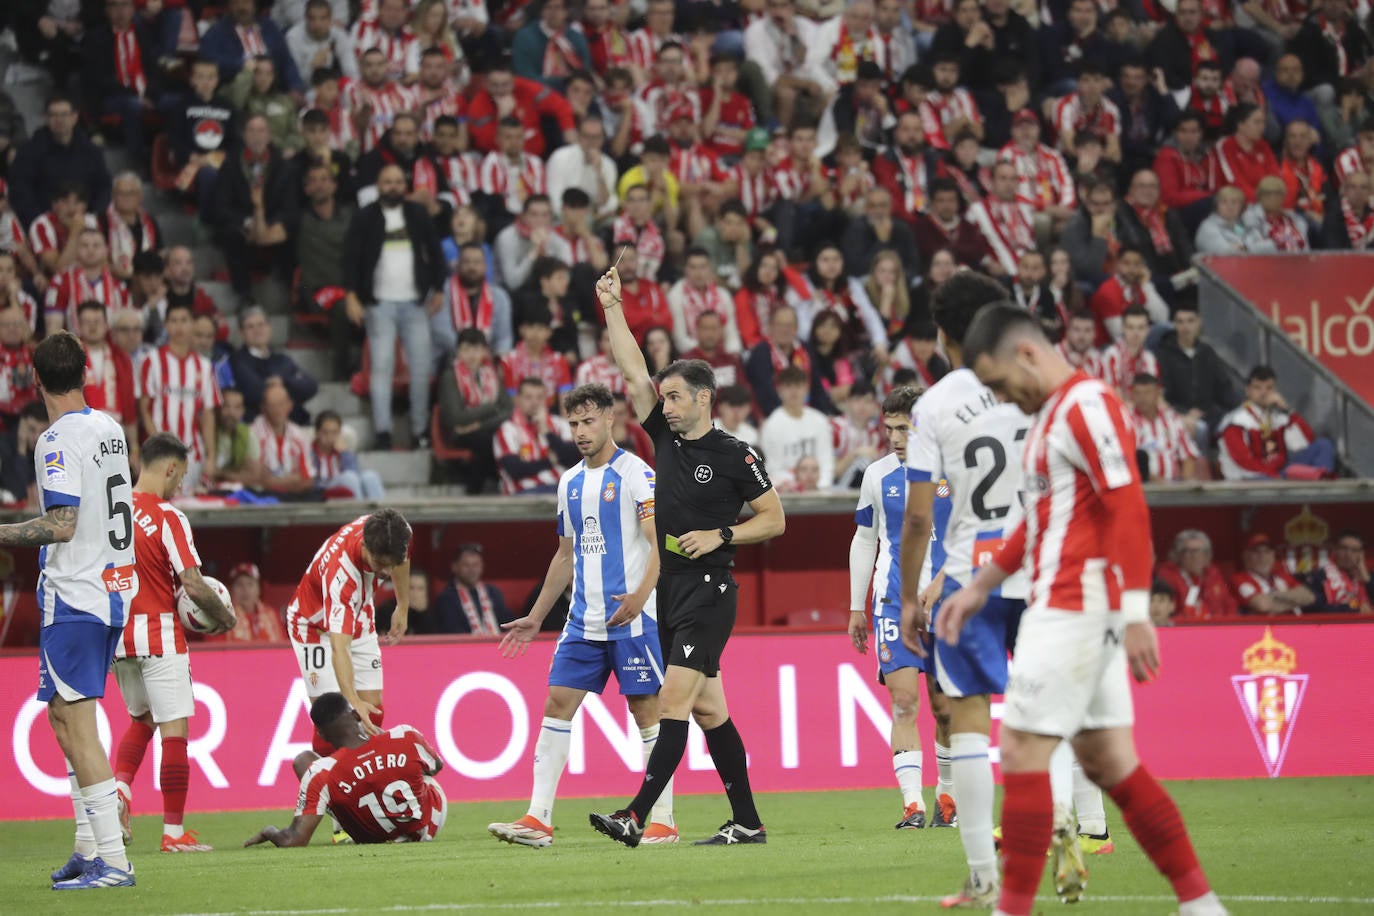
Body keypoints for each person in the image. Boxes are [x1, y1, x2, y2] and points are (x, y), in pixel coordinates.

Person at [939, 303, 1227, 916]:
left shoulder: (1086, 405)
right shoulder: (1047, 417)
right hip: (1071, 603)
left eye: (995, 383)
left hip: (1074, 605)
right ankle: (1201, 905)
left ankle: (1009, 909)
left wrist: (1135, 612)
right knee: (1110, 762)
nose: (999, 398)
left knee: (1018, 749)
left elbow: (1128, 506)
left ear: (1026, 354)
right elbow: (1036, 524)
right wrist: (979, 586)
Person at [589, 266, 786, 847]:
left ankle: (635, 814)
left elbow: (775, 519)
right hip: (672, 587)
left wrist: (723, 535)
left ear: (704, 398)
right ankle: (747, 821)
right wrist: (612, 307)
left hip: (710, 590)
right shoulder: (668, 440)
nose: (665, 406)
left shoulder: (734, 455)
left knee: (672, 699)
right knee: (708, 712)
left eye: (675, 397)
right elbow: (631, 370)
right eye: (664, 397)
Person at [896, 273, 1039, 907]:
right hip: (1039, 569)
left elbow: (920, 516)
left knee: (971, 724)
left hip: (967, 579)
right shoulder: (1033, 383)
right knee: (1049, 717)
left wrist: (907, 595)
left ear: (943, 332)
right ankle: (1071, 834)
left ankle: (983, 877)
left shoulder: (934, 403)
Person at [489, 383, 676, 847]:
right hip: (583, 622)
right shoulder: (569, 481)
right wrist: (536, 615)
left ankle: (663, 822)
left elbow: (660, 543)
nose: (580, 432)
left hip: (633, 620)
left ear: (610, 419)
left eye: (588, 421)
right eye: (573, 424)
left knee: (646, 711)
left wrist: (639, 596)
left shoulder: (637, 474)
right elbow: (564, 557)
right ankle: (538, 819)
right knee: (557, 703)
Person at [19, 332, 136, 889]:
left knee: (78, 723)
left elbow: (61, 524)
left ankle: (113, 862)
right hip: (110, 588)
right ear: (87, 371)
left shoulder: (56, 440)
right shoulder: (109, 427)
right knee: (64, 718)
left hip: (77, 593)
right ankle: (89, 848)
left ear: (34, 379)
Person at [110, 433, 235, 854]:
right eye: (179, 475)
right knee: (175, 733)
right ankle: (173, 832)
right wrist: (226, 618)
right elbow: (195, 586)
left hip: (118, 637)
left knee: (141, 719)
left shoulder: (109, 510)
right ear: (168, 468)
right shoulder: (168, 517)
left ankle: (120, 792)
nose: (180, 484)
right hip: (160, 633)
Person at [849, 386, 956, 830]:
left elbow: (972, 533)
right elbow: (865, 539)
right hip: (893, 602)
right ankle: (912, 804)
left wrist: (940, 582)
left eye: (903, 428)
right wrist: (858, 605)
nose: (895, 436)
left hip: (949, 601)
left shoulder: (955, 467)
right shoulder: (877, 474)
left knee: (947, 707)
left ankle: (946, 796)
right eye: (889, 427)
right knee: (905, 702)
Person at [284, 508, 413, 801]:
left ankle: (359, 794)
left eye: (389, 565)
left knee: (374, 711)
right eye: (379, 563)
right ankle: (334, 802)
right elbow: (339, 647)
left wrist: (402, 606)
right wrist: (352, 701)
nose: (385, 572)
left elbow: (402, 561)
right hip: (314, 628)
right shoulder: (341, 576)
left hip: (359, 615)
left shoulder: (397, 532)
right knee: (336, 717)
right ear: (365, 547)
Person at [243, 692, 446, 846]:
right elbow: (436, 766)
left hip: (374, 838)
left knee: (307, 765)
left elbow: (294, 840)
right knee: (420, 772)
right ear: (357, 715)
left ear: (321, 736)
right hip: (429, 825)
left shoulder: (321, 772)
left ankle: (343, 829)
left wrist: (269, 831)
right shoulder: (405, 735)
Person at [342, 163, 447, 451]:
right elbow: (350, 258)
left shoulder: (417, 214)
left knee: (421, 369)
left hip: (415, 303)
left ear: (405, 186)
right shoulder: (365, 217)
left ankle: (420, 431)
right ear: (378, 185)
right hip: (379, 304)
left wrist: (438, 288)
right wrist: (351, 294)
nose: (392, 186)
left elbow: (436, 254)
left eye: (398, 182)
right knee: (381, 368)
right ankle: (383, 431)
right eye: (387, 181)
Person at [140, 302, 220, 495]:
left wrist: (211, 456)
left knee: (189, 514)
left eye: (184, 320)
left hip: (193, 454)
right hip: (161, 456)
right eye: (173, 321)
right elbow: (144, 409)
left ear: (192, 324)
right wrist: (158, 447)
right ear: (166, 325)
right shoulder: (152, 361)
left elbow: (207, 414)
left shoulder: (204, 366)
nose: (179, 326)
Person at [214, 115, 298, 300]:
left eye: (261, 131)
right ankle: (244, 294)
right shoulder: (231, 164)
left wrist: (274, 224)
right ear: (244, 136)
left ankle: (291, 292)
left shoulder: (284, 166)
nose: (256, 136)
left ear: (269, 136)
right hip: (242, 223)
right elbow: (220, 206)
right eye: (251, 131)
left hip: (272, 223)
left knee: (294, 232)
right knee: (230, 234)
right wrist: (247, 221)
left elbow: (290, 205)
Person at [8, 96, 112, 228]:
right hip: (44, 227)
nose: (59, 120)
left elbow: (103, 186)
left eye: (64, 114)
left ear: (74, 117)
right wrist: (41, 224)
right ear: (46, 118)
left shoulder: (91, 151)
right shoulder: (29, 152)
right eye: (53, 115)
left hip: (85, 224)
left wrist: (92, 219)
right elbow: (20, 192)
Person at [1218, 366, 1335, 479]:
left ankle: (1323, 487)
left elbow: (1306, 441)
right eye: (1257, 388)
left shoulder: (1279, 417)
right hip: (1249, 478)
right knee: (1265, 479)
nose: (1264, 393)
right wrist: (1274, 476)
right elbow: (1243, 461)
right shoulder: (1236, 420)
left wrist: (1287, 410)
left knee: (1322, 445)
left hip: (1278, 473)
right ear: (1248, 391)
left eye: (1269, 388)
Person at [1153, 301, 1240, 443]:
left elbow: (1224, 389)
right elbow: (1162, 394)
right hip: (1177, 415)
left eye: (1190, 321)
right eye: (1180, 322)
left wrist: (1245, 408)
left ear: (1198, 323)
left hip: (1209, 413)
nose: (1185, 327)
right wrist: (1184, 412)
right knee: (1199, 429)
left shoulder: (1207, 352)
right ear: (1174, 324)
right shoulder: (1162, 354)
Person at [228, 307, 318, 425]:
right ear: (241, 333)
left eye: (261, 325)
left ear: (269, 328)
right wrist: (290, 386)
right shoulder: (237, 360)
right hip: (258, 425)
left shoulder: (282, 359)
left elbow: (310, 386)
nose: (257, 330)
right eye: (250, 326)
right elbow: (257, 393)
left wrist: (283, 381)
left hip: (295, 423)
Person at [494, 377, 580, 495]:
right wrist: (551, 460)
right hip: (524, 492)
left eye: (539, 397)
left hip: (561, 490)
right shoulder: (507, 429)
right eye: (528, 397)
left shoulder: (560, 424)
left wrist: (547, 432)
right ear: (518, 400)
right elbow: (515, 470)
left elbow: (573, 459)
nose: (535, 402)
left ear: (546, 399)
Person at [761, 367, 836, 490]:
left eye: (798, 386)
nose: (794, 391)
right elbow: (772, 469)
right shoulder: (771, 426)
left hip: (820, 490)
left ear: (806, 388)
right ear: (779, 390)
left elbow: (826, 462)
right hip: (787, 492)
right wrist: (797, 486)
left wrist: (821, 486)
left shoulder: (820, 421)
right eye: (789, 386)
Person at [1154, 529, 1239, 620]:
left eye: (1199, 551)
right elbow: (1166, 613)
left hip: (1218, 627)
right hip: (1184, 628)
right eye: (1188, 551)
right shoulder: (1167, 576)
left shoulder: (1214, 574)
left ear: (1207, 555)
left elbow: (1229, 604)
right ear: (1178, 555)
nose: (1194, 556)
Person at [1130, 374, 1201, 483]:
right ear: (1132, 396)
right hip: (1141, 486)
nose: (1142, 398)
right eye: (1137, 393)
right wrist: (1153, 479)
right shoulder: (1126, 422)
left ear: (1157, 393)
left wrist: (1184, 485)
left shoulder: (1172, 419)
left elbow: (1188, 456)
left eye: (1147, 392)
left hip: (1173, 487)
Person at [433, 543, 515, 634]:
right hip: (467, 646)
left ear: (482, 566)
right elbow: (453, 632)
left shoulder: (493, 592)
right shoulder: (446, 598)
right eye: (466, 565)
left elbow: (509, 622)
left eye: (476, 565)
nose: (472, 570)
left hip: (498, 644)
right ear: (454, 567)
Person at [250, 383, 315, 496]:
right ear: (263, 408)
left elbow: (307, 480)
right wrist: (291, 480)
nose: (277, 410)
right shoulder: (253, 434)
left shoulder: (299, 435)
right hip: (262, 497)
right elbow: (256, 480)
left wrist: (274, 482)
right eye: (272, 405)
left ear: (290, 405)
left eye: (281, 404)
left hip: (295, 496)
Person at [1232, 533, 1315, 616]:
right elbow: (1262, 605)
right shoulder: (1240, 578)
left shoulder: (1281, 575)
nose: (1262, 556)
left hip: (1297, 625)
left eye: (1267, 551)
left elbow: (1309, 597)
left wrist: (1272, 596)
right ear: (1246, 555)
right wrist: (1295, 601)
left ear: (1273, 555)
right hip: (1267, 627)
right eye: (1256, 551)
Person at [311, 410, 385, 500]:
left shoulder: (342, 451)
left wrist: (344, 453)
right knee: (348, 477)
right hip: (323, 488)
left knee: (370, 476)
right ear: (317, 433)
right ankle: (359, 511)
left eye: (334, 432)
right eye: (325, 432)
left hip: (347, 483)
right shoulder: (310, 453)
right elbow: (311, 482)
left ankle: (382, 514)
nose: (330, 437)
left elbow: (356, 474)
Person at [211, 563, 289, 643]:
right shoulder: (222, 618)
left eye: (250, 584)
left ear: (258, 589)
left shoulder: (272, 615)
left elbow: (284, 646)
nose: (245, 589)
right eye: (239, 584)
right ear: (230, 590)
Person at [1096, 306, 1160, 398]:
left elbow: (1155, 393)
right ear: (1122, 328)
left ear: (1148, 330)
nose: (1136, 332)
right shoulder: (1111, 355)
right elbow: (1113, 394)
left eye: (1141, 328)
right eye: (1130, 327)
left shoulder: (1149, 358)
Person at [1305, 531, 1374, 614]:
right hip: (1335, 625)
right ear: (1335, 550)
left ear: (1361, 554)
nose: (1348, 554)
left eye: (1355, 550)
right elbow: (1314, 608)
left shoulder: (1368, 578)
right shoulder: (1320, 576)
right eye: (1344, 549)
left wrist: (1367, 579)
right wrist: (1354, 611)